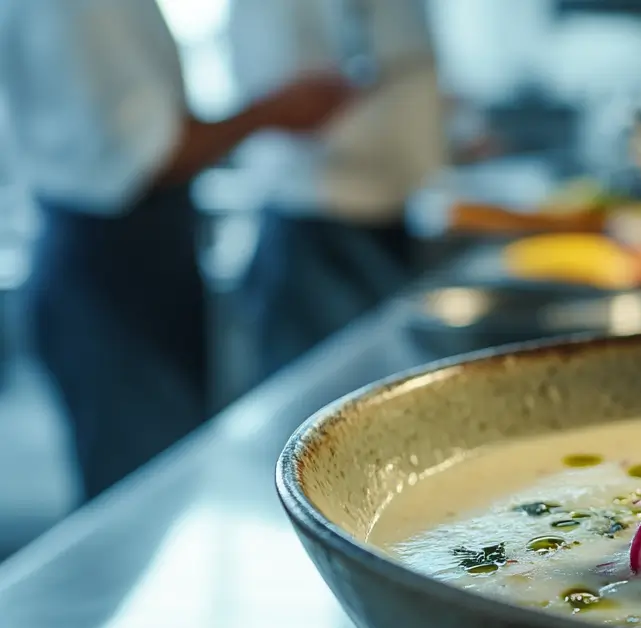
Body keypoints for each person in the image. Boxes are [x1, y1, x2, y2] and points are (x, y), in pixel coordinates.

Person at [0, 0, 354, 502]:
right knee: (144, 502)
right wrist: (276, 110)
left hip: (121, 254)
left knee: (155, 484)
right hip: (110, 268)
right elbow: (149, 153)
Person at [226, 0, 445, 379]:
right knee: (323, 398)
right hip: (319, 217)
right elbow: (298, 96)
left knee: (384, 380)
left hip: (386, 208)